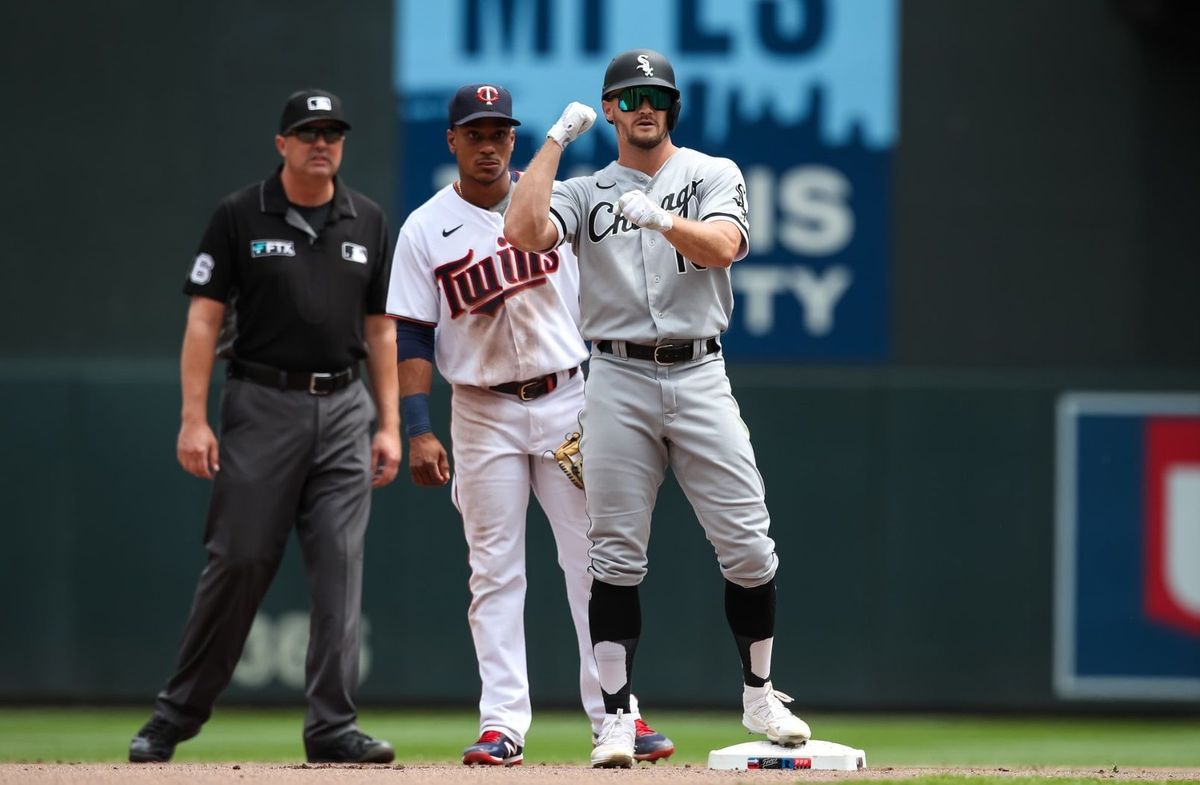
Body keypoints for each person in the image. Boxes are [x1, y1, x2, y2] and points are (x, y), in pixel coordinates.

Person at [504, 50, 812, 768]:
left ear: (673, 108)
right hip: (615, 373)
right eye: (630, 96)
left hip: (700, 368)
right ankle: (616, 717)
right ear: (610, 109)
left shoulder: (711, 173)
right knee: (613, 556)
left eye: (657, 96)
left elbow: (726, 245)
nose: (645, 106)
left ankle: (760, 691)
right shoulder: (583, 190)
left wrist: (663, 221)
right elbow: (521, 232)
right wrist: (553, 139)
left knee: (748, 544)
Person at [385, 83, 674, 766]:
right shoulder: (425, 227)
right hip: (482, 411)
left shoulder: (554, 204)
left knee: (595, 564)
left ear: (515, 140)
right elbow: (413, 336)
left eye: (500, 134)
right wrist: (419, 426)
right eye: (475, 134)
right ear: (452, 140)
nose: (489, 146)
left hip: (569, 398)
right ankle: (502, 722)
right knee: (493, 570)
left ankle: (617, 713)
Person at [128, 89, 400, 764]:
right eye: (308, 131)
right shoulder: (240, 214)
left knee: (341, 566)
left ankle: (332, 727)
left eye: (332, 132)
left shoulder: (365, 219)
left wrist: (390, 421)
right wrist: (194, 418)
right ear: (281, 143)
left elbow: (382, 328)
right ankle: (175, 714)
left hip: (343, 407)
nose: (321, 142)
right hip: (262, 400)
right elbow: (203, 318)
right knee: (240, 558)